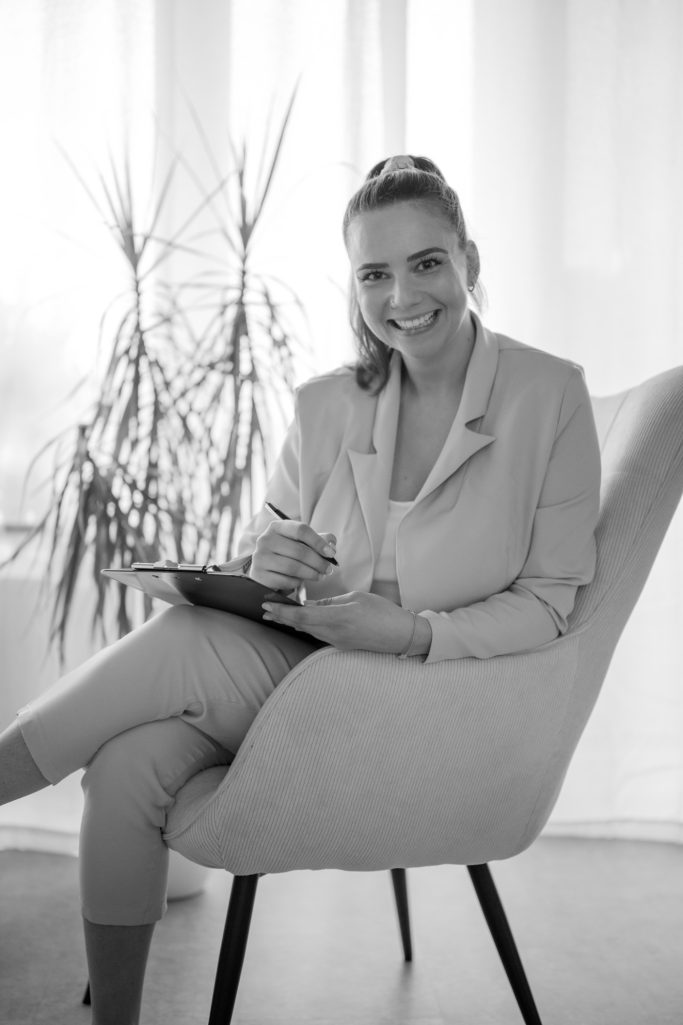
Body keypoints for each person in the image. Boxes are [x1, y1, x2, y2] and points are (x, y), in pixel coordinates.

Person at [0, 154, 601, 1024]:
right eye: (374, 274)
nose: (402, 295)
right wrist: (268, 555)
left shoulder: (549, 393)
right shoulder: (328, 403)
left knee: (183, 645)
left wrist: (406, 632)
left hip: (439, 695)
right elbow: (266, 537)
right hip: (302, 671)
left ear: (469, 260)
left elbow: (550, 603)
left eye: (426, 263)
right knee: (127, 767)